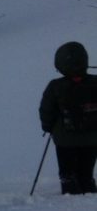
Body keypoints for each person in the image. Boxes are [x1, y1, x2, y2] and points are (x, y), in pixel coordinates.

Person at [39, 41, 97, 194]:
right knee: (86, 171)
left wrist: (47, 126)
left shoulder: (55, 86)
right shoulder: (95, 82)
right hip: (92, 137)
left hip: (65, 139)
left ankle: (70, 197)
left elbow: (46, 110)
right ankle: (89, 192)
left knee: (67, 173)